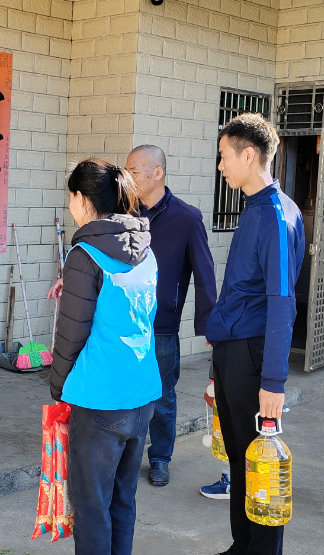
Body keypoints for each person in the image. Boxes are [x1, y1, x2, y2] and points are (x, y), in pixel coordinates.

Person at [49, 158, 161, 555]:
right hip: (142, 393)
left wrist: (58, 387)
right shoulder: (146, 252)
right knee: (122, 499)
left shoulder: (84, 255)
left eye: (70, 198)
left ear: (82, 199)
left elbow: (71, 334)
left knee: (92, 507)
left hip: (99, 399)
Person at [205, 114, 304, 555]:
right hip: (233, 351)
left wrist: (273, 382)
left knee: (259, 463)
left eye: (224, 156)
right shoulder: (255, 209)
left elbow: (282, 302)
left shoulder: (276, 217)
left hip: (252, 355)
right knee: (239, 457)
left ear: (249, 155)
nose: (220, 166)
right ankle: (241, 545)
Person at [125, 144, 217, 487]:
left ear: (157, 173)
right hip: (123, 320)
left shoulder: (187, 218)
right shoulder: (123, 213)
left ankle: (160, 458)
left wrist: (210, 326)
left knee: (162, 397)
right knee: (125, 393)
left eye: (134, 171)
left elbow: (205, 274)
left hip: (162, 326)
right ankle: (125, 456)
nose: (128, 177)